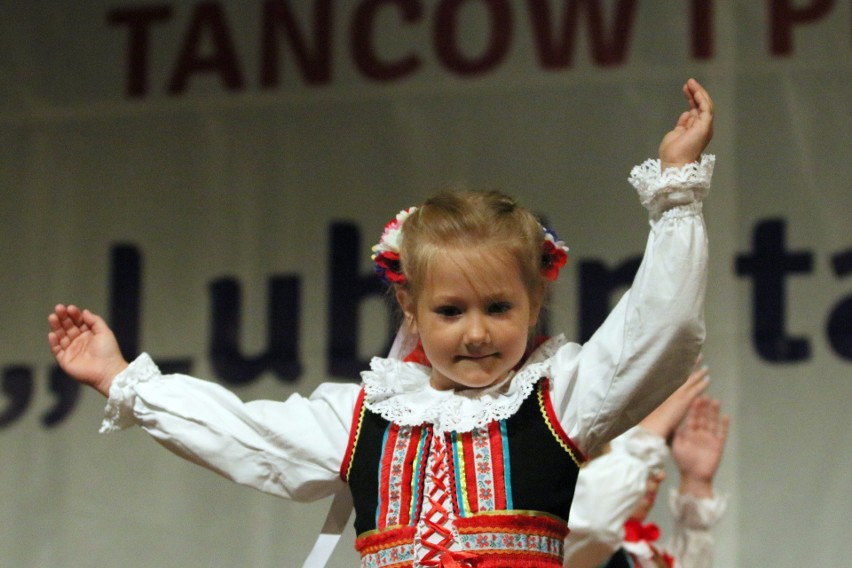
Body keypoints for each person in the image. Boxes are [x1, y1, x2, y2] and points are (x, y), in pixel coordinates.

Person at [48, 78, 715, 567]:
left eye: (499, 308)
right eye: (450, 312)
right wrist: (125, 382)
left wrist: (677, 192)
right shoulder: (364, 417)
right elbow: (247, 435)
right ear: (412, 310)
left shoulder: (556, 396)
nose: (476, 332)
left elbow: (659, 328)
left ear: (534, 306)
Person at [564, 361, 730, 568]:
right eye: (641, 462)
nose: (659, 476)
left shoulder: (642, 554)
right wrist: (645, 440)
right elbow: (593, 523)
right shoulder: (563, 542)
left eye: (654, 464)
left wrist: (695, 483)